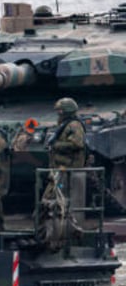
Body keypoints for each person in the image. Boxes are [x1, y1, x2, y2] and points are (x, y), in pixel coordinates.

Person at [39, 97, 87, 249]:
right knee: (51, 201)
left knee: (54, 201)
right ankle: (51, 231)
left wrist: (56, 145)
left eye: (60, 110)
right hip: (59, 169)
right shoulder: (64, 124)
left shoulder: (74, 125)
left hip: (67, 168)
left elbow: (77, 144)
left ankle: (66, 231)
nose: (58, 113)